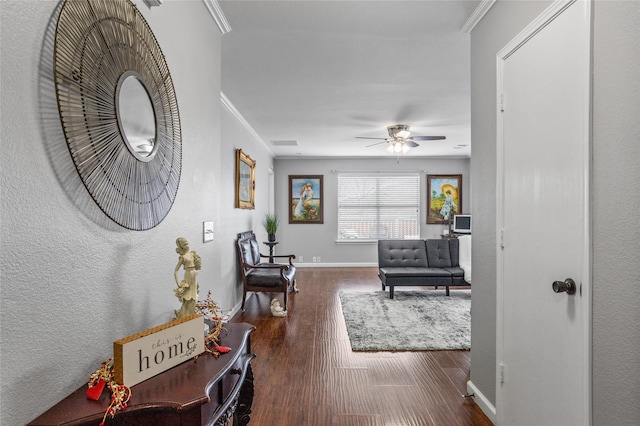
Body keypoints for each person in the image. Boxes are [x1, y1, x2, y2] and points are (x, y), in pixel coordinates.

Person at [173, 237, 201, 319]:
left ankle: (191, 317)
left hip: (194, 275)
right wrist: (178, 283)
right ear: (181, 246)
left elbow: (197, 265)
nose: (186, 245)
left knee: (194, 297)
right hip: (188, 275)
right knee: (187, 297)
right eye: (184, 244)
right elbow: (176, 271)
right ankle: (184, 316)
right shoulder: (183, 257)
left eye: (187, 243)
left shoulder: (192, 254)